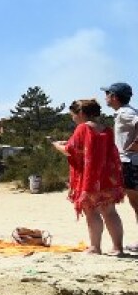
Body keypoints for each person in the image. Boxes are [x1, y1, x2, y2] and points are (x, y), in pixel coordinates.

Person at [52, 99, 126, 256]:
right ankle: (118, 248)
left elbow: (70, 150)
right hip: (108, 178)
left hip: (90, 180)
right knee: (110, 212)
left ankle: (95, 247)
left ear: (80, 113)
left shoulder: (82, 128)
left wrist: (56, 145)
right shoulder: (106, 129)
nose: (73, 118)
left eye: (73, 114)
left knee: (92, 213)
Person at [102, 83, 138, 241]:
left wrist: (136, 144)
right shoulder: (124, 112)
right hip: (130, 161)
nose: (106, 97)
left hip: (130, 162)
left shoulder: (125, 113)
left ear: (114, 97)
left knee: (136, 203)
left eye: (107, 94)